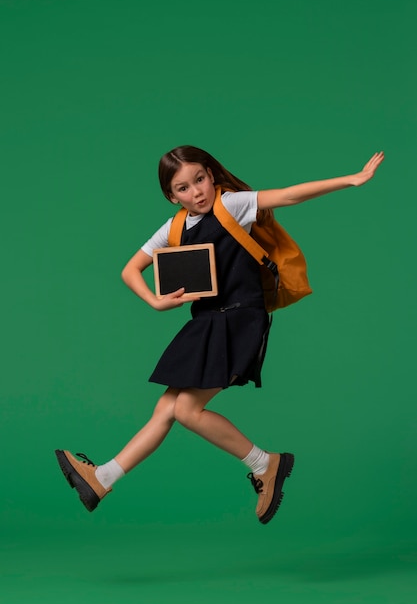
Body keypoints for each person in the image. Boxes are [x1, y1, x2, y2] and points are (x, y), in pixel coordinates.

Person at [55, 146, 384, 525]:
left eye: (199, 179)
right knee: (167, 409)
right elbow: (131, 269)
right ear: (171, 195)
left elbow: (289, 194)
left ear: (211, 175)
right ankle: (102, 479)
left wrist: (351, 179)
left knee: (185, 410)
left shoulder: (234, 205)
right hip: (207, 321)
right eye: (183, 188)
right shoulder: (175, 227)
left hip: (240, 319)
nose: (196, 192)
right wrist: (155, 301)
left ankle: (267, 464)